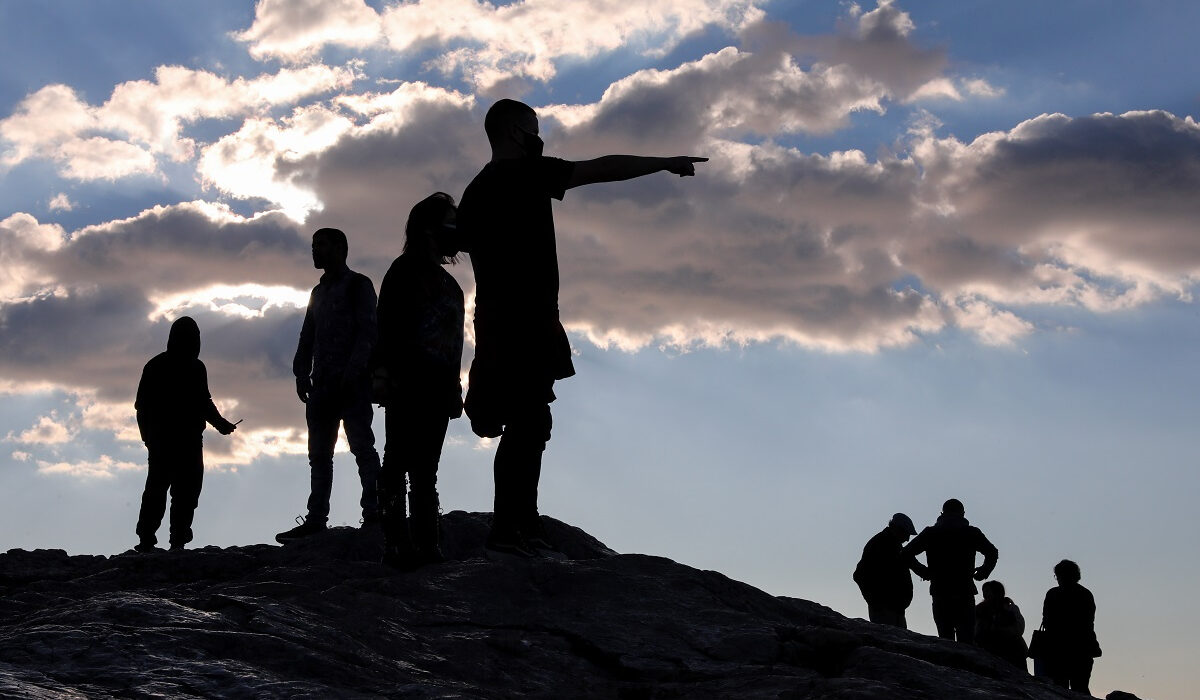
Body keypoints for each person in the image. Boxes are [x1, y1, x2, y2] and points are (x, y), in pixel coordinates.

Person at [458, 98, 707, 556]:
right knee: (529, 420)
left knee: (525, 420)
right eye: (534, 128)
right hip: (524, 322)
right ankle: (513, 526)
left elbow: (456, 241)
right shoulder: (527, 174)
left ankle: (518, 522)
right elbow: (601, 169)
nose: (540, 136)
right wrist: (665, 163)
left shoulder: (475, 191)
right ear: (515, 132)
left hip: (496, 322)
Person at [373, 192, 465, 568]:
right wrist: (381, 374)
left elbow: (455, 343)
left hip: (438, 389)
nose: (456, 229)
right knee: (396, 464)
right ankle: (397, 545)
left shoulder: (451, 286)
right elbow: (385, 328)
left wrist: (455, 389)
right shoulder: (403, 271)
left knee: (425, 470)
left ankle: (427, 546)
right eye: (450, 220)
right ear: (428, 228)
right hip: (405, 383)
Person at [277, 228, 382, 542]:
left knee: (362, 448)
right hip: (321, 386)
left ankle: (375, 513)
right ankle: (316, 519)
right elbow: (307, 335)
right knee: (319, 455)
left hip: (352, 384)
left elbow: (368, 332)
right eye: (313, 246)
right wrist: (300, 372)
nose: (315, 251)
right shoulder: (318, 293)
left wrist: (354, 371)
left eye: (320, 245)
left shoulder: (359, 285)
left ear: (340, 248)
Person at [134, 316, 237, 552]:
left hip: (185, 441)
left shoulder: (193, 367)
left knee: (184, 492)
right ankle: (150, 538)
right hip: (165, 441)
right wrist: (148, 438)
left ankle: (174, 539)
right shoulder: (160, 366)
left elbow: (203, 401)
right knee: (160, 490)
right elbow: (142, 405)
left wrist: (220, 423)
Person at [901, 498, 998, 643]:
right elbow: (992, 552)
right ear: (963, 514)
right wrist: (983, 572)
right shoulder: (971, 533)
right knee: (966, 641)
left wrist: (924, 572)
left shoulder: (931, 533)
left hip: (940, 592)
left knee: (945, 640)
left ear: (942, 513)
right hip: (964, 591)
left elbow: (906, 553)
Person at [853, 513, 928, 628]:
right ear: (897, 529)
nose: (908, 539)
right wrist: (875, 599)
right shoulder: (879, 545)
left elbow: (914, 564)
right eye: (906, 534)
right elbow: (859, 574)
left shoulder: (894, 545)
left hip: (895, 606)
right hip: (883, 607)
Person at [1039, 559, 1100, 693]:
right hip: (1081, 649)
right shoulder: (1085, 594)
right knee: (1080, 688)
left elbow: (1047, 620)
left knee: (1059, 688)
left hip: (1057, 649)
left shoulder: (1052, 594)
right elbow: (1088, 623)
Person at [975, 580, 1028, 670]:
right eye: (984, 591)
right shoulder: (979, 610)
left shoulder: (1010, 608)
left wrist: (1002, 630)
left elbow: (1019, 628)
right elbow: (975, 629)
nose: (985, 594)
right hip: (987, 649)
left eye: (988, 591)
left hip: (1012, 649)